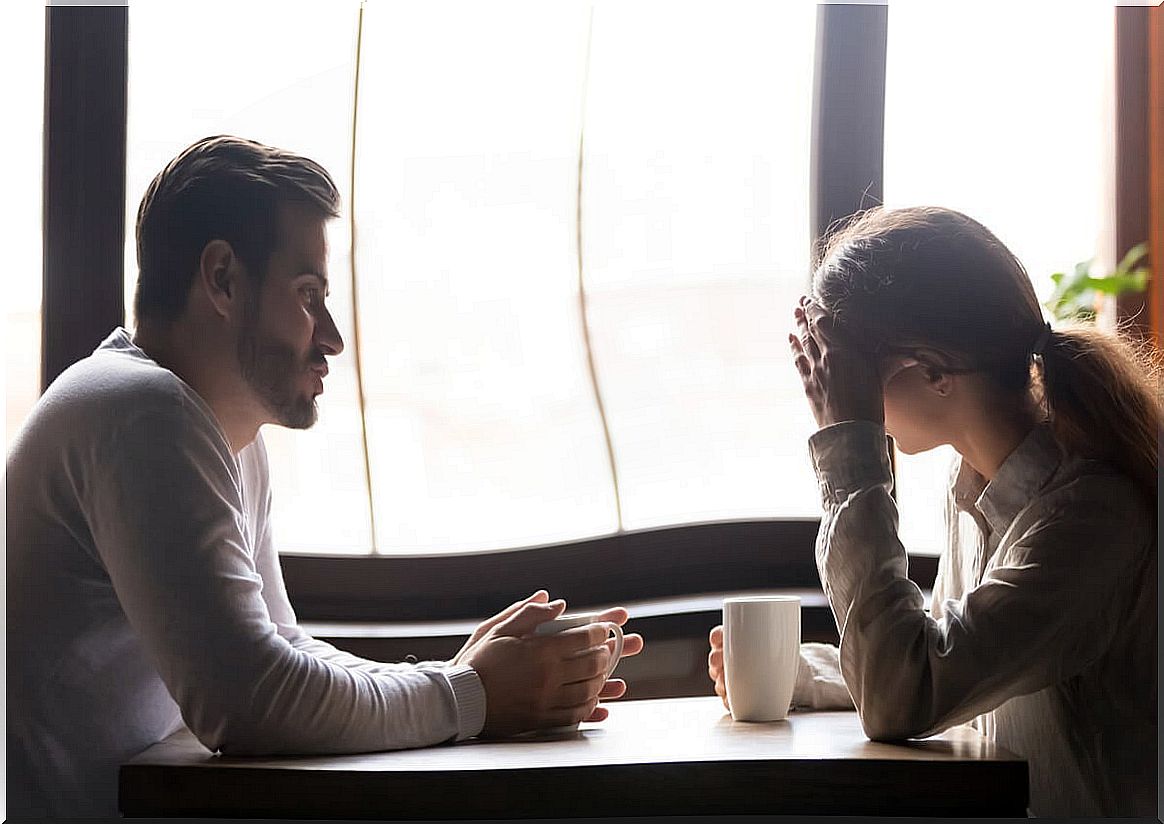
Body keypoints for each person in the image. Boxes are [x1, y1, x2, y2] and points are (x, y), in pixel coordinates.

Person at [6, 135, 643, 818]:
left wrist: (463, 681)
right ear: (221, 278)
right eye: (308, 294)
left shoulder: (215, 433)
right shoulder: (140, 413)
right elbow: (251, 701)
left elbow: (278, 648)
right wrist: (472, 695)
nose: (333, 336)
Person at [707, 206, 1158, 817]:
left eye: (846, 369)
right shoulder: (976, 482)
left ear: (933, 371)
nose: (829, 389)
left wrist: (850, 446)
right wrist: (796, 675)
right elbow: (957, 662)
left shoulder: (1087, 519)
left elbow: (905, 696)